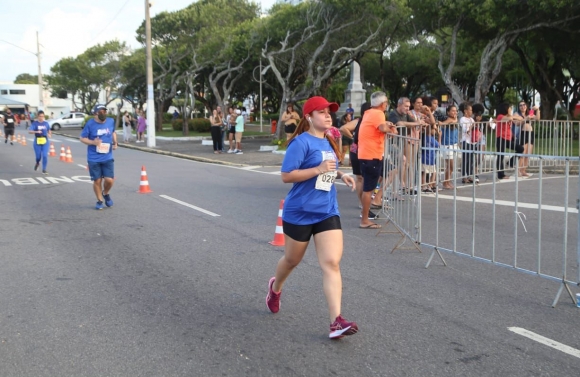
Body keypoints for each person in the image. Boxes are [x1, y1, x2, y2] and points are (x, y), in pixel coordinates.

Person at [265, 96, 358, 340]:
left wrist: (340, 174)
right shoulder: (300, 143)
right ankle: (275, 289)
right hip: (300, 212)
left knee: (331, 263)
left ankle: (336, 321)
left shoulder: (328, 140)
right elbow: (287, 176)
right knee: (292, 260)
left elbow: (326, 166)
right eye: (322, 112)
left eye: (329, 112)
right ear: (308, 117)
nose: (328, 115)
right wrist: (318, 170)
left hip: (327, 210)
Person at [358, 91, 398, 229]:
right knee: (368, 189)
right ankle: (364, 219)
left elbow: (379, 127)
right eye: (386, 102)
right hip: (372, 156)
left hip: (366, 154)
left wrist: (387, 126)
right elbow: (381, 128)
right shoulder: (378, 114)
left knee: (368, 187)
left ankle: (366, 215)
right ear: (382, 104)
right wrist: (390, 129)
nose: (387, 105)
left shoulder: (369, 113)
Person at [79, 104, 118, 210]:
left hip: (107, 156)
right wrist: (93, 142)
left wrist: (115, 142)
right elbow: (82, 138)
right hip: (93, 158)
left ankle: (105, 193)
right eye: (101, 111)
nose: (103, 113)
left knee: (109, 180)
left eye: (105, 111)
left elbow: (113, 132)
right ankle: (100, 200)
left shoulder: (110, 121)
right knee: (97, 181)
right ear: (95, 113)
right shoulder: (90, 124)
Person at [388, 98, 427, 195]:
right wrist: (417, 123)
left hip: (401, 142)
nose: (407, 108)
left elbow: (415, 123)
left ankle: (396, 190)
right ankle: (401, 186)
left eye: (409, 106)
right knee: (401, 162)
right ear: (399, 105)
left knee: (398, 166)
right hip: (391, 143)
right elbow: (400, 123)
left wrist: (421, 123)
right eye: (406, 106)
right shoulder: (393, 114)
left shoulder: (406, 114)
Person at [495, 102, 524, 180]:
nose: (510, 110)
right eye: (509, 108)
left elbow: (519, 119)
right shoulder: (500, 116)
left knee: (520, 149)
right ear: (505, 109)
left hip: (507, 139)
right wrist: (515, 117)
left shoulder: (509, 116)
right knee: (500, 156)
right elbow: (509, 118)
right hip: (500, 138)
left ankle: (511, 162)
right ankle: (500, 174)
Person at [512, 100, 540, 177]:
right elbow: (517, 123)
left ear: (526, 106)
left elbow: (537, 118)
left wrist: (537, 110)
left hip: (530, 133)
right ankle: (518, 170)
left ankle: (523, 170)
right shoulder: (516, 114)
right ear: (518, 107)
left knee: (528, 154)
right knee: (522, 153)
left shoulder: (529, 114)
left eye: (524, 105)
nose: (522, 106)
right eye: (520, 105)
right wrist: (525, 119)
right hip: (523, 133)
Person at [438, 105, 459, 189]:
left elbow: (455, 121)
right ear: (448, 112)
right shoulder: (449, 119)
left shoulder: (454, 120)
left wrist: (455, 118)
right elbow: (447, 122)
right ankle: (445, 182)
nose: (455, 112)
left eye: (456, 111)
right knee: (450, 165)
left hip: (453, 144)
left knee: (450, 166)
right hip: (447, 144)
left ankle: (447, 181)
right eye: (453, 111)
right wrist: (442, 123)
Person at [459, 103, 476, 184]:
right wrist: (471, 127)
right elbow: (466, 129)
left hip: (472, 141)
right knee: (465, 159)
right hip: (465, 140)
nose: (471, 111)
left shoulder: (472, 120)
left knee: (470, 159)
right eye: (470, 110)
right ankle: (463, 176)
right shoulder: (462, 119)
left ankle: (469, 175)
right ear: (465, 111)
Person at [421, 124, 440, 193]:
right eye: (434, 130)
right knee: (432, 172)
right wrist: (440, 136)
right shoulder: (430, 138)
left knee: (425, 172)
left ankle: (425, 186)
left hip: (426, 158)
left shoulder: (424, 137)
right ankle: (428, 186)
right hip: (429, 158)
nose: (435, 131)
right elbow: (438, 145)